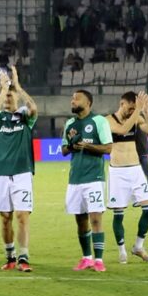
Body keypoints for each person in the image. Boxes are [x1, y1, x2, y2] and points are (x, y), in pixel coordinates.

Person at [0, 66, 38, 272]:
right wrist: (3, 90)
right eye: (6, 96)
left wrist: (18, 87)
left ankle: (23, 257)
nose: (8, 98)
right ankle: (10, 256)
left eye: (11, 95)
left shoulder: (25, 117)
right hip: (0, 174)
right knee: (5, 217)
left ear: (17, 97)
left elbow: (33, 108)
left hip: (22, 173)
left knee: (22, 216)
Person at [62, 90, 113, 271]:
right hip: (75, 179)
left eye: (77, 98)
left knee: (96, 218)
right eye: (72, 98)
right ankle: (86, 258)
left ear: (88, 103)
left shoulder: (99, 121)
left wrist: (88, 146)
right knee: (81, 220)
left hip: (94, 178)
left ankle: (99, 260)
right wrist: (72, 146)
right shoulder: (70, 123)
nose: (73, 101)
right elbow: (63, 150)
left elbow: (108, 148)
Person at [107, 91, 148, 263]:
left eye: (135, 109)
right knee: (119, 214)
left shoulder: (136, 117)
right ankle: (122, 251)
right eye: (131, 108)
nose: (133, 111)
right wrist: (138, 111)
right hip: (117, 173)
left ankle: (138, 246)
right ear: (122, 104)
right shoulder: (109, 120)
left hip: (135, 171)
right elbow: (122, 130)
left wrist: (146, 113)